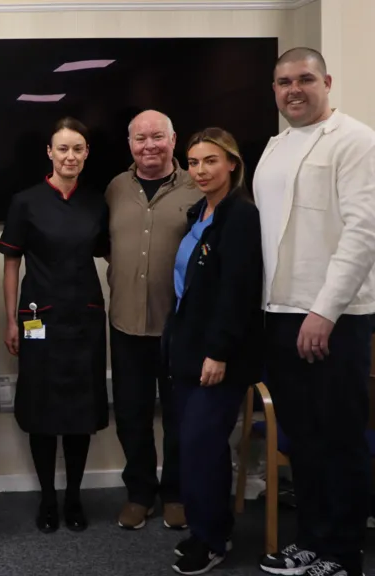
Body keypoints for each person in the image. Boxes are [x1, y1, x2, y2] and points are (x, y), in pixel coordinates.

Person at [254, 47, 375, 576]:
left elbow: (363, 232)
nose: (294, 90)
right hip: (279, 314)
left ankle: (343, 555)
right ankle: (311, 540)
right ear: (275, 90)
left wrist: (325, 311)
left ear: (326, 81)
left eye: (305, 79)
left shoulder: (356, 140)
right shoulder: (276, 146)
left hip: (333, 319)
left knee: (339, 439)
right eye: (284, 82)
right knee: (303, 441)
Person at [0, 117, 109, 533]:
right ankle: (47, 497)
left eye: (78, 149)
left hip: (85, 320)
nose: (70, 156)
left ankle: (74, 497)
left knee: (81, 412)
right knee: (41, 410)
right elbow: (11, 263)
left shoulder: (97, 202)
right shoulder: (25, 202)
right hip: (37, 319)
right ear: (49, 152)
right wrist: (11, 320)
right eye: (63, 148)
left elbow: (111, 254)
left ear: (87, 153)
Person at [163, 129, 263, 574]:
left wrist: (219, 352)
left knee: (203, 444)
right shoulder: (199, 212)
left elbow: (237, 292)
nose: (200, 170)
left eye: (210, 161)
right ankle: (206, 527)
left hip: (219, 354)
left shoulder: (240, 216)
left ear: (232, 164)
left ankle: (213, 539)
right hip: (188, 348)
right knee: (193, 445)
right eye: (193, 162)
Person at [105, 109, 201, 531]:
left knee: (179, 416)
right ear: (130, 144)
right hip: (126, 324)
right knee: (131, 415)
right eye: (140, 139)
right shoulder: (115, 188)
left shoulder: (197, 187)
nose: (149, 146)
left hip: (179, 327)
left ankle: (175, 493)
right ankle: (140, 494)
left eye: (157, 137)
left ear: (173, 140)